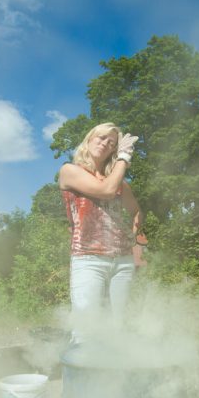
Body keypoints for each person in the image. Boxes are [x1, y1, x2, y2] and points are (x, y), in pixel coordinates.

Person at [58, 122, 145, 336]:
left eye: (112, 143)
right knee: (86, 327)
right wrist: (124, 156)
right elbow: (105, 191)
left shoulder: (119, 184)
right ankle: (77, 370)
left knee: (118, 326)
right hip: (89, 259)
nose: (106, 143)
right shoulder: (69, 171)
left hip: (122, 262)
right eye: (101, 137)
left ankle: (113, 369)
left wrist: (131, 238)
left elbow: (137, 212)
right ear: (89, 140)